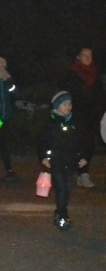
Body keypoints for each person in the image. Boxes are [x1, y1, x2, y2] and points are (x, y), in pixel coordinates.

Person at [38, 91, 87, 230]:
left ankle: (60, 211)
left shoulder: (74, 122)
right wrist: (44, 157)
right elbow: (43, 142)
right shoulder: (50, 122)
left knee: (67, 189)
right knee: (60, 188)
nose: (68, 106)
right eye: (65, 104)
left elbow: (80, 142)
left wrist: (82, 156)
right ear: (57, 106)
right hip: (56, 160)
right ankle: (63, 215)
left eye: (70, 103)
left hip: (70, 160)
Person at [63, 48, 104, 188]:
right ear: (78, 57)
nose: (88, 57)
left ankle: (83, 172)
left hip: (92, 117)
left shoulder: (95, 76)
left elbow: (100, 95)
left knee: (89, 145)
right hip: (75, 115)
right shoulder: (71, 74)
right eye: (85, 55)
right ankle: (77, 172)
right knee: (76, 144)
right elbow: (65, 94)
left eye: (90, 55)